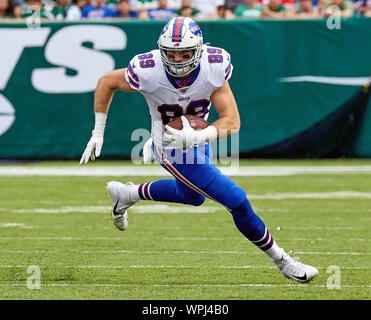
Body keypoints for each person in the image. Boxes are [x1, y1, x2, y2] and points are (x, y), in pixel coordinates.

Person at [80, 17, 319, 283]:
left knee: (193, 197)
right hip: (170, 147)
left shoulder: (213, 66)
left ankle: (127, 194)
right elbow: (106, 82)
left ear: (199, 50)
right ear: (161, 49)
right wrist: (97, 131)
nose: (178, 59)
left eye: (185, 53)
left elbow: (232, 121)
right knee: (237, 200)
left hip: (197, 139)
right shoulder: (147, 70)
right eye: (171, 53)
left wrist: (198, 136)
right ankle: (283, 261)